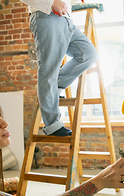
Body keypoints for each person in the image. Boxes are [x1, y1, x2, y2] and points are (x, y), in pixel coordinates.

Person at [22, 0, 98, 136]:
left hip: (67, 19)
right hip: (47, 15)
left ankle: (56, 86)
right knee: (49, 69)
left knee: (89, 54)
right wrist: (51, 2)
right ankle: (52, 124)